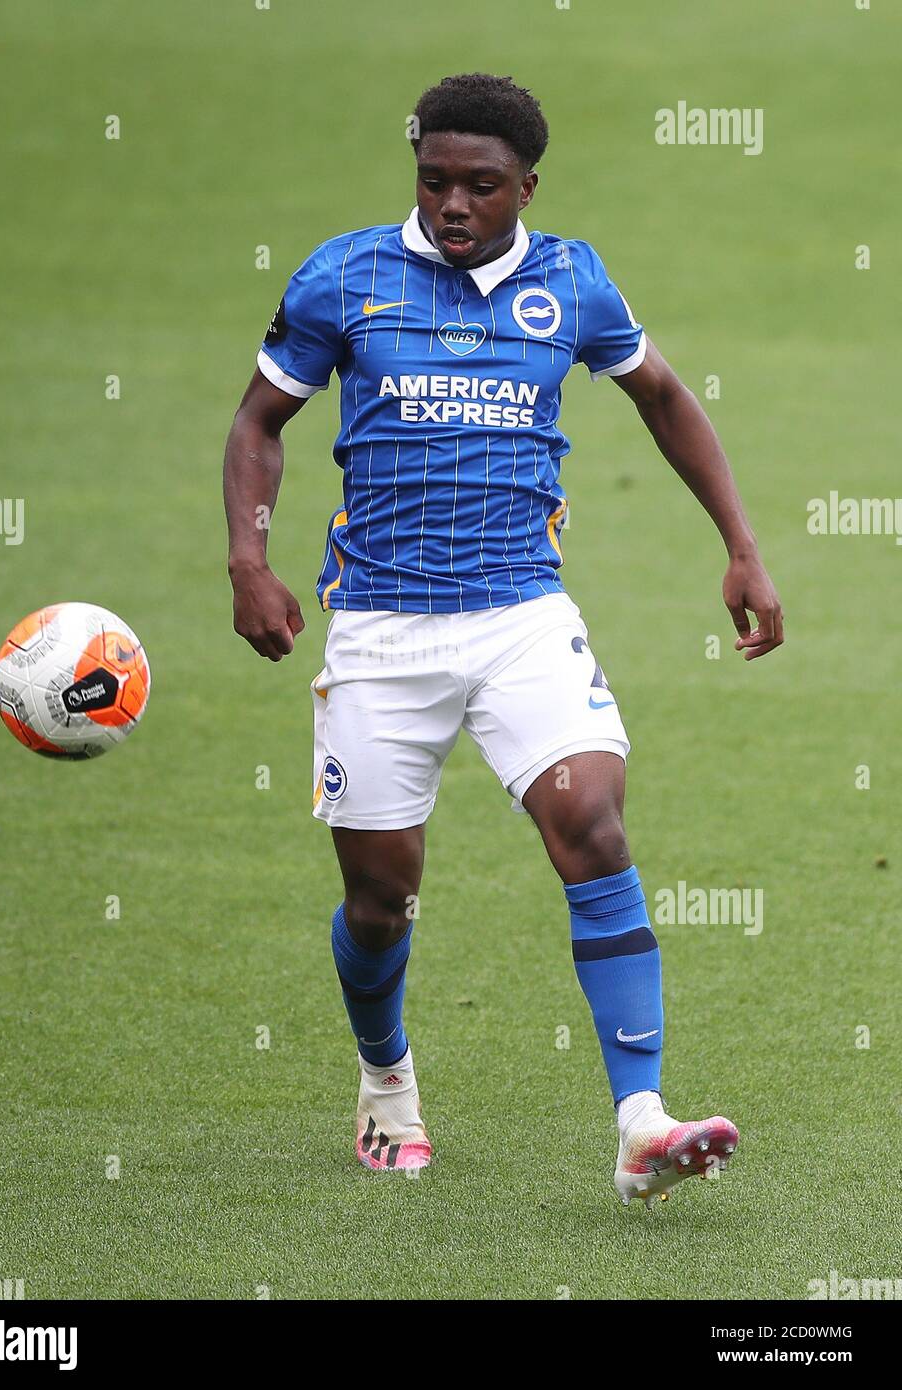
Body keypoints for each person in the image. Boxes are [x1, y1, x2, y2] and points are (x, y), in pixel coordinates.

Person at [223, 73, 783, 1206]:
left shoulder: (570, 281)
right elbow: (259, 419)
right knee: (382, 897)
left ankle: (639, 1121)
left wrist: (741, 544)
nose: (452, 205)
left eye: (481, 187)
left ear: (527, 185)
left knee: (591, 819)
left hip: (521, 614)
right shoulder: (345, 275)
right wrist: (249, 559)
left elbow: (664, 397)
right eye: (434, 180)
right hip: (378, 627)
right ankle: (386, 1079)